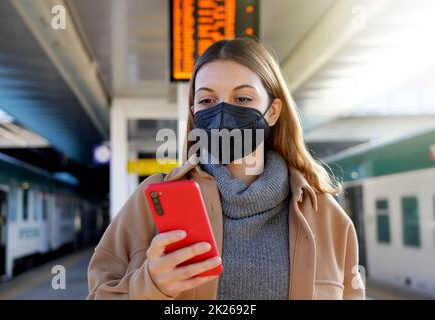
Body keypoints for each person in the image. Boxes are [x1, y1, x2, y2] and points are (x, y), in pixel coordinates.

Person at [87, 37, 365, 300]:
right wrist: (150, 285)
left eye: (243, 99)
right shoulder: (154, 201)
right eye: (207, 100)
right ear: (194, 111)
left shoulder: (326, 216)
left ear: (272, 111)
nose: (222, 113)